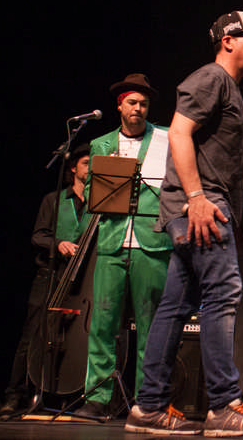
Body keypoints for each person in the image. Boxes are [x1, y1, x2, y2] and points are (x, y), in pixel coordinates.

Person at [125, 11, 243, 436]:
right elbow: (179, 133)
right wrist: (196, 198)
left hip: (205, 205)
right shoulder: (211, 78)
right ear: (227, 40)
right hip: (202, 206)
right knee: (223, 293)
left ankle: (148, 407)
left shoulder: (226, 86)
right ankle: (223, 405)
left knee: (176, 306)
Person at [79, 73, 172, 419]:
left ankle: (147, 399)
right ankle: (98, 397)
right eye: (132, 102)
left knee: (151, 326)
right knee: (103, 324)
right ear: (120, 105)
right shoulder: (101, 144)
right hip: (113, 242)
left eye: (144, 104)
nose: (138, 108)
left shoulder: (165, 138)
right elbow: (90, 193)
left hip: (152, 242)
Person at [0, 144, 91, 419]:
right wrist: (58, 243)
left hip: (82, 281)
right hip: (50, 275)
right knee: (33, 335)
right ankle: (15, 395)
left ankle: (73, 395)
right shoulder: (54, 199)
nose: (91, 168)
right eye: (86, 163)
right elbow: (38, 235)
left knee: (79, 337)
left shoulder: (98, 204)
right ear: (73, 167)